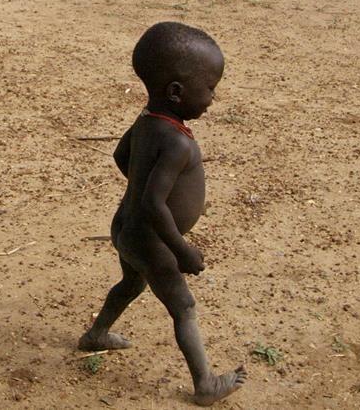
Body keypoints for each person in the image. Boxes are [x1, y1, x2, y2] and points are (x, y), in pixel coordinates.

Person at [79, 22, 246, 408]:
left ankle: (97, 334)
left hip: (125, 228)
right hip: (151, 240)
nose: (213, 98)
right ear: (177, 92)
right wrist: (181, 250)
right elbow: (154, 205)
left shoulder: (146, 122)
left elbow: (121, 156)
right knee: (184, 308)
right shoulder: (174, 142)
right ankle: (205, 384)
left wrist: (139, 184)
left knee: (131, 285)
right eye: (209, 88)